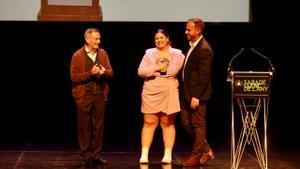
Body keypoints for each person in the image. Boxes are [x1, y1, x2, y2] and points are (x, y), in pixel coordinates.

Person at [138, 29, 184, 164]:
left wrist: (152, 70)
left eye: (162, 38)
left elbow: (172, 71)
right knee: (149, 122)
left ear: (167, 38)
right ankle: (144, 154)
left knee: (167, 122)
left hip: (168, 89)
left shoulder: (177, 54)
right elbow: (140, 71)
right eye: (156, 38)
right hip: (151, 89)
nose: (159, 40)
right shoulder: (149, 53)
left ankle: (167, 154)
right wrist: (156, 68)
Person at [70, 28, 113, 165]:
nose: (98, 41)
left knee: (98, 126)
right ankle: (85, 156)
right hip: (84, 96)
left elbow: (111, 73)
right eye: (96, 39)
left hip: (100, 94)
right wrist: (91, 73)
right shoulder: (77, 55)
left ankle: (95, 155)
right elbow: (74, 77)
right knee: (84, 126)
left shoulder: (103, 53)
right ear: (87, 40)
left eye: (99, 38)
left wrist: (103, 71)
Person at [180, 18, 215, 166]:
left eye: (189, 29)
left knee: (198, 125)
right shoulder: (193, 46)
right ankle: (206, 150)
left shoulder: (204, 49)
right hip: (187, 92)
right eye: (186, 29)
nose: (186, 32)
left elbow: (204, 76)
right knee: (186, 123)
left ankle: (196, 155)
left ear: (198, 30)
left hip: (196, 95)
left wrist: (197, 96)